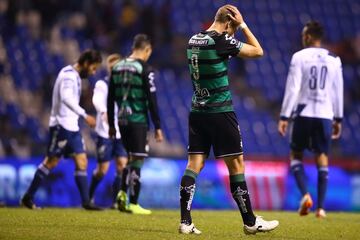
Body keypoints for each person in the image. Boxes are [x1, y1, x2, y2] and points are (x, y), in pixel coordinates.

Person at [179, 4, 279, 235]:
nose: (231, 34)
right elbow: (258, 51)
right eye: (232, 29)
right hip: (220, 111)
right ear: (228, 23)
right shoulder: (220, 40)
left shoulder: (194, 39)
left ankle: (185, 222)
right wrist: (243, 25)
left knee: (193, 165)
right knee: (236, 166)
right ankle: (251, 222)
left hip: (197, 111)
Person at [21, 49, 102, 210]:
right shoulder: (68, 76)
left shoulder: (75, 76)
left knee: (82, 161)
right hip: (61, 125)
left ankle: (86, 202)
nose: (93, 73)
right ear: (86, 63)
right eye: (93, 68)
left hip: (73, 126)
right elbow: (66, 99)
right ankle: (28, 197)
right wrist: (85, 115)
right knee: (51, 162)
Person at [278, 21, 343, 218]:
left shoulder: (299, 57)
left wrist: (284, 116)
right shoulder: (334, 59)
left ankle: (306, 194)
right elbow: (337, 91)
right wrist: (338, 118)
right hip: (324, 114)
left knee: (295, 155)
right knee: (322, 158)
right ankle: (321, 208)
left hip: (303, 113)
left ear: (307, 37)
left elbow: (293, 87)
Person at [107, 34, 163, 215]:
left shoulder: (117, 66)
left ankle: (122, 194)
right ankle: (134, 202)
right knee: (138, 160)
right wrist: (158, 126)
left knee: (130, 157)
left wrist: (111, 124)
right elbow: (152, 98)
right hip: (138, 120)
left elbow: (110, 98)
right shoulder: (144, 68)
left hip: (121, 120)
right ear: (147, 50)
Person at [89, 54, 128, 208]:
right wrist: (104, 111)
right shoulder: (102, 84)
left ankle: (115, 202)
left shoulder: (125, 85)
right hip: (105, 132)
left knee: (122, 166)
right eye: (112, 67)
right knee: (102, 169)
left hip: (121, 132)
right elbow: (97, 100)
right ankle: (89, 197)